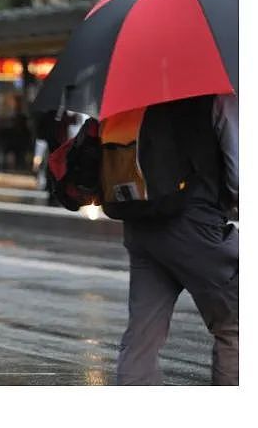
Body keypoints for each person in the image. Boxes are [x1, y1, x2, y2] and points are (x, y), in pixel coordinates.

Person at [116, 94, 238, 385]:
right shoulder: (219, 95)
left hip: (140, 223)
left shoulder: (134, 92)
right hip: (195, 225)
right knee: (237, 323)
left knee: (142, 336)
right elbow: (240, 178)